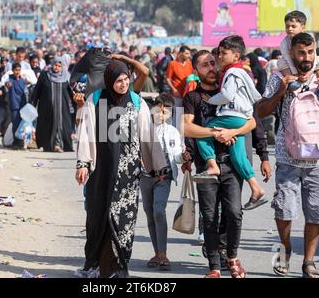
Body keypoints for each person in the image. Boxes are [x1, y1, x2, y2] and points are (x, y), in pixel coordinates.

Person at [257, 32, 319, 278]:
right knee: (283, 210)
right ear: (292, 53)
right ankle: (284, 248)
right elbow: (261, 110)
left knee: (316, 211)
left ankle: (309, 262)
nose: (306, 57)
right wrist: (280, 92)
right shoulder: (279, 76)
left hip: (318, 157)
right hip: (288, 157)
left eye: (310, 52)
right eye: (301, 53)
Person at [75, 58, 167, 278]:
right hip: (101, 170)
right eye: (118, 81)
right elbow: (86, 132)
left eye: (126, 79)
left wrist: (158, 167)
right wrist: (83, 163)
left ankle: (118, 267)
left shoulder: (137, 102)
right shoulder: (95, 100)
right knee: (98, 215)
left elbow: (148, 136)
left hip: (128, 172)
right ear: (109, 80)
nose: (123, 84)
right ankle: (95, 266)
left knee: (123, 218)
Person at [183, 50, 257, 278]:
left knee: (234, 213)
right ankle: (214, 266)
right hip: (206, 166)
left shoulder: (229, 90)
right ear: (196, 71)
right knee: (209, 217)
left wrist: (233, 131)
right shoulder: (192, 98)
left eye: (213, 63)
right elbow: (186, 127)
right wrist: (215, 133)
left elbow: (252, 121)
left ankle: (232, 256)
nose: (211, 68)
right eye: (204, 65)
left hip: (232, 164)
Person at [193, 36, 266, 210]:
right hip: (241, 117)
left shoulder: (232, 73)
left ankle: (212, 166)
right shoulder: (241, 71)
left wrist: (210, 100)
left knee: (203, 133)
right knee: (238, 155)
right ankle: (256, 188)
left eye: (223, 53)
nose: (219, 57)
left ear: (236, 56)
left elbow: (226, 95)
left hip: (232, 115)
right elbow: (255, 96)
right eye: (219, 53)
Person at [141, 94, 190, 271]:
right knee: (149, 213)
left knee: (159, 211)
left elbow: (176, 156)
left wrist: (183, 157)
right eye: (158, 108)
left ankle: (163, 253)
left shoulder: (173, 132)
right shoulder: (143, 129)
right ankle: (157, 252)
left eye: (166, 111)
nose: (161, 113)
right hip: (145, 177)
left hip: (164, 178)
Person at [32, 57, 74, 153]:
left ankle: (59, 145)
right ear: (52, 64)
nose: (57, 67)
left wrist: (78, 104)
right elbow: (37, 90)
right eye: (55, 65)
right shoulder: (45, 75)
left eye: (59, 66)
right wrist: (33, 103)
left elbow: (72, 93)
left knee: (63, 126)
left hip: (62, 109)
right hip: (47, 108)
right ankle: (48, 145)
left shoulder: (66, 77)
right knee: (47, 126)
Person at [278, 11, 319, 82]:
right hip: (293, 66)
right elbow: (288, 60)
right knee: (281, 62)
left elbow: (314, 57)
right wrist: (295, 74)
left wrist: (309, 73)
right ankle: (292, 83)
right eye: (287, 26)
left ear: (303, 27)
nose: (290, 29)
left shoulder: (310, 39)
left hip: (308, 66)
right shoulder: (284, 43)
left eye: (293, 26)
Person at [5, 63, 28, 149]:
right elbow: (7, 84)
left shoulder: (23, 80)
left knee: (22, 125)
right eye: (16, 70)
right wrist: (7, 85)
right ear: (13, 70)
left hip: (23, 106)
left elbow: (26, 91)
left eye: (19, 70)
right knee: (15, 124)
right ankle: (16, 142)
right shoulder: (10, 79)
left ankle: (21, 142)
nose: (17, 72)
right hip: (14, 105)